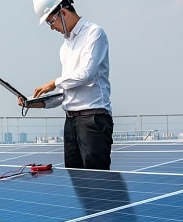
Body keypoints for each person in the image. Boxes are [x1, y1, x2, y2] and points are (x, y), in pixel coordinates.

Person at [19, 0, 113, 170]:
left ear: (63, 12)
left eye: (50, 21)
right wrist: (34, 103)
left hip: (93, 120)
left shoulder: (94, 33)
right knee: (76, 181)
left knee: (97, 184)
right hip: (71, 123)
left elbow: (85, 74)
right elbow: (66, 91)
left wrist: (54, 83)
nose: (51, 27)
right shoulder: (65, 47)